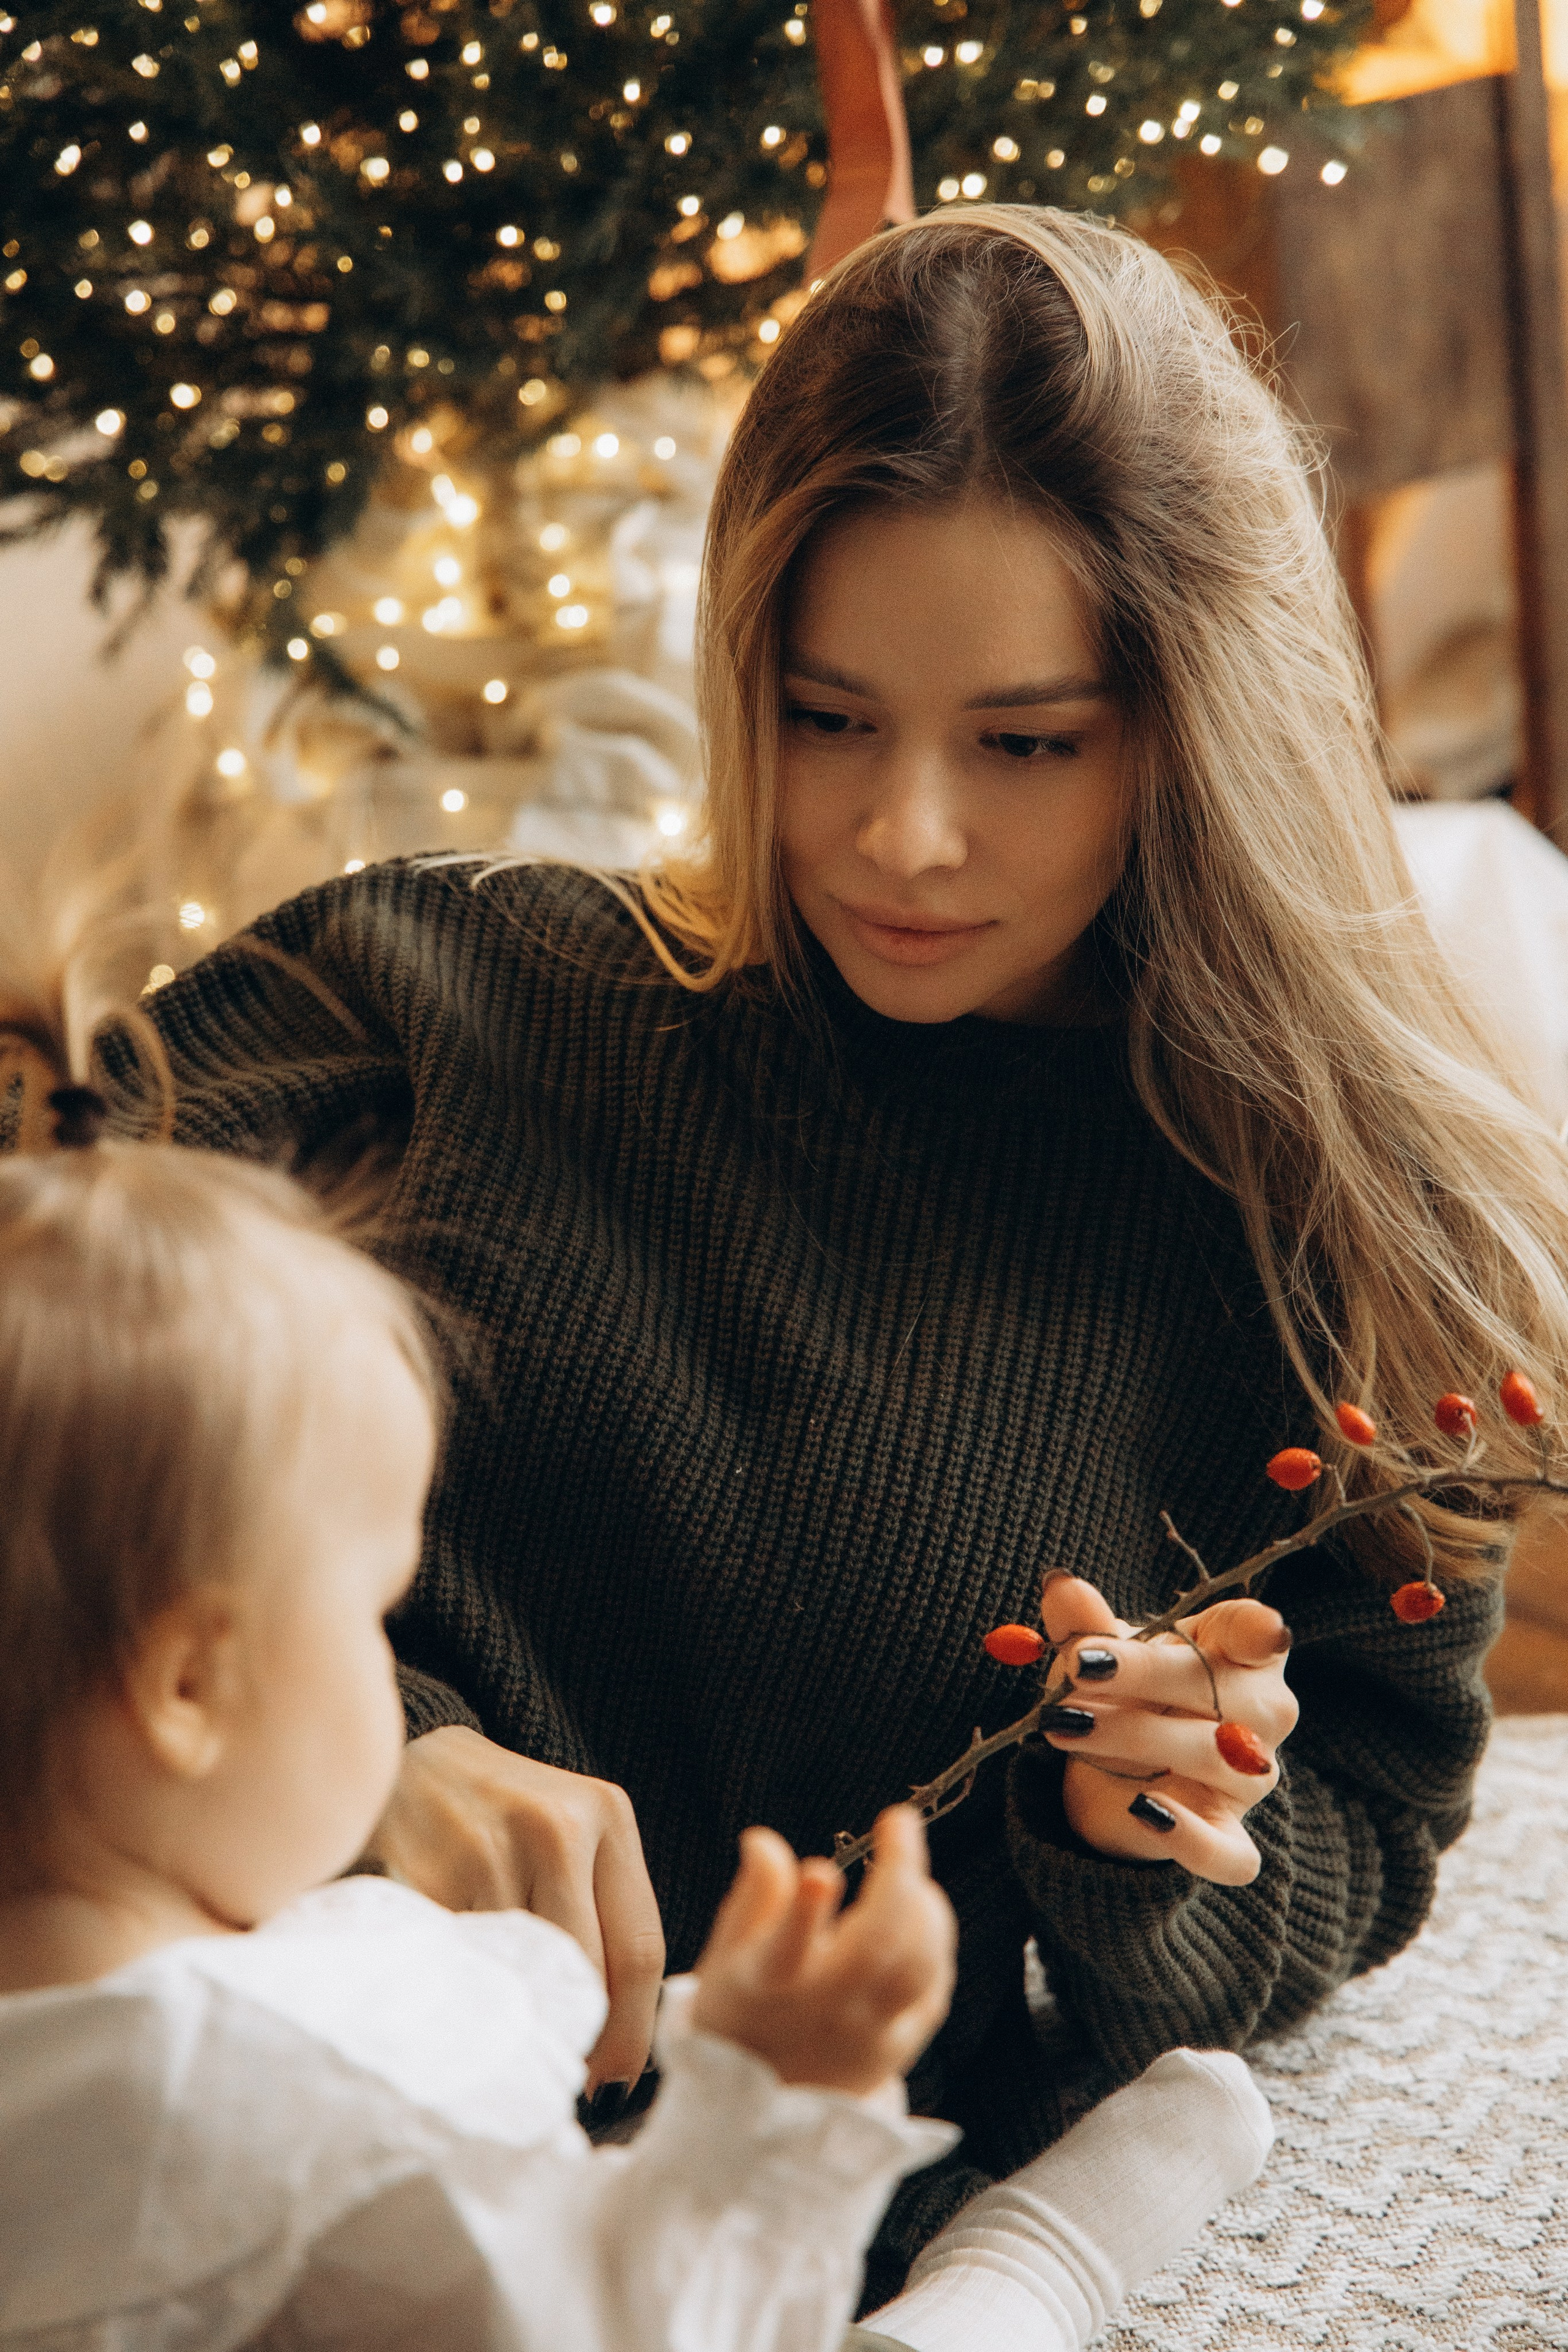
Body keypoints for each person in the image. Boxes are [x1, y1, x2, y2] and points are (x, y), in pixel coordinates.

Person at [125, 205, 1559, 2306]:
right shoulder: (436, 1003)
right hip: (240, 2185)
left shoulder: (1323, 1245)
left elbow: (1361, 1837)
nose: (904, 835)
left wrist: (1140, 1843)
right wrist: (369, 1746)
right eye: (824, 717)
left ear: (1193, 723)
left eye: (1024, 743)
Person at [0, 1009, 1272, 2352]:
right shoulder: (299, 2105)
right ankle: (1031, 2271)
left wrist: (653, 2013)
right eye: (373, 1613)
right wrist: (782, 2096)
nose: (395, 1677)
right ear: (191, 1688)